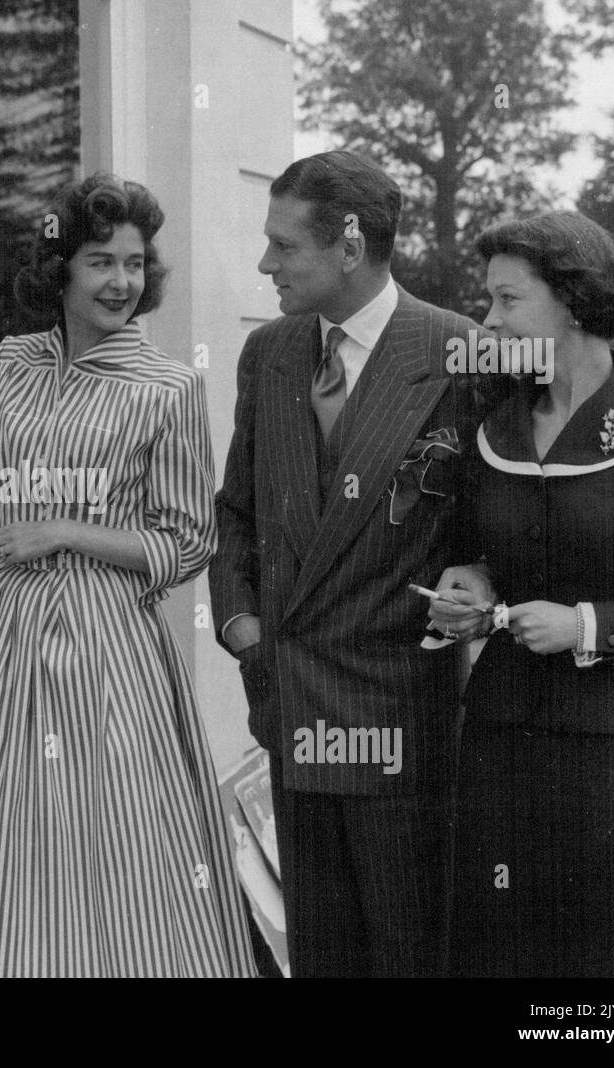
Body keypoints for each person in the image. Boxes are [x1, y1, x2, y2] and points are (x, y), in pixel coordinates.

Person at [0, 172, 255, 977]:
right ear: (61, 268)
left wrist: (66, 531)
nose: (122, 282)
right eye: (101, 261)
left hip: (110, 649)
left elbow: (188, 542)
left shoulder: (168, 387)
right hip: (5, 639)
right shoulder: (15, 367)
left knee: (117, 836)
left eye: (135, 265)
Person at [209, 150, 488, 977]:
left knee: (409, 953)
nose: (266, 264)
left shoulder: (461, 354)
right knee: (322, 955)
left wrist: (483, 579)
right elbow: (236, 512)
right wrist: (240, 626)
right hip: (290, 707)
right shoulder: (270, 354)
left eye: (284, 246)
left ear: (351, 245)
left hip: (398, 719)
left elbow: (501, 528)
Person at [429, 211, 614, 977]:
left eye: (509, 301)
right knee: (502, 954)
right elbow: (474, 553)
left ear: (574, 303)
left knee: (613, 968)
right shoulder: (493, 428)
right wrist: (471, 584)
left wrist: (588, 626)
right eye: (489, 301)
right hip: (500, 737)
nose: (488, 320)